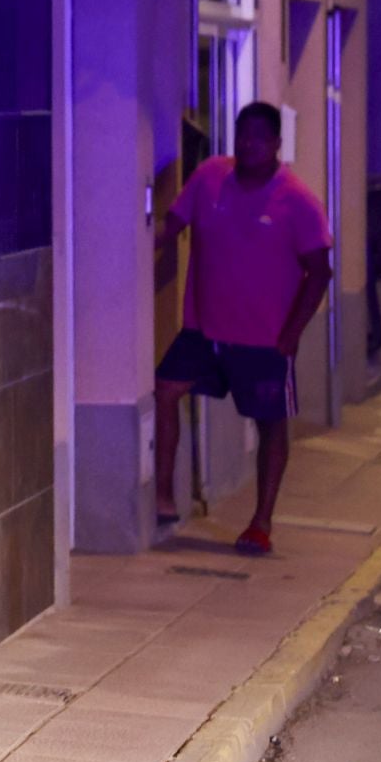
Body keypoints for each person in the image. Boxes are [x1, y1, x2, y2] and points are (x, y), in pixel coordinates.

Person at [152, 101, 333, 556]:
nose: (249, 143)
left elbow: (320, 272)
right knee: (167, 389)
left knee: (270, 424)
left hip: (264, 340)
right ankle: (163, 496)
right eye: (242, 134)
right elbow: (167, 228)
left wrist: (291, 334)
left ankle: (261, 522)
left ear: (276, 143)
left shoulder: (298, 200)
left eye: (259, 136)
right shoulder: (210, 176)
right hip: (205, 329)